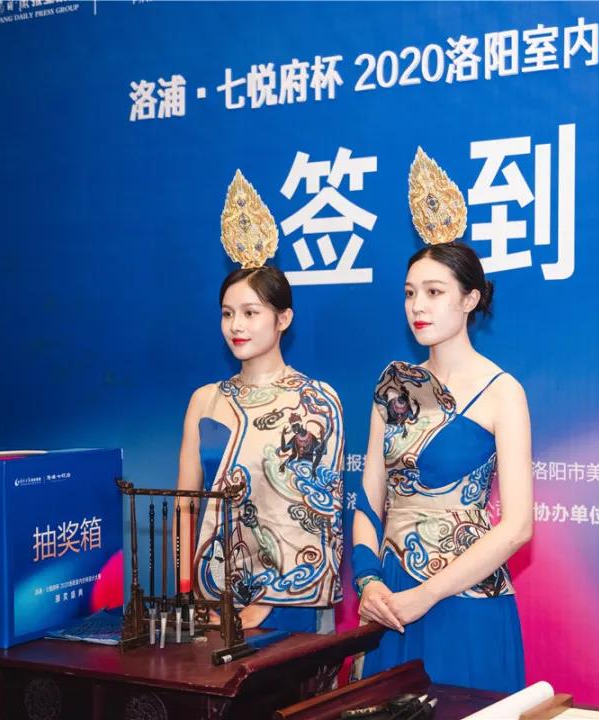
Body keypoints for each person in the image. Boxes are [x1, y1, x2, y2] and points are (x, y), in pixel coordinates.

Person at [352, 149, 533, 691]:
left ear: (470, 299)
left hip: (465, 598)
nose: (418, 306)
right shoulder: (393, 386)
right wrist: (367, 581)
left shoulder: (503, 391)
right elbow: (368, 498)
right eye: (411, 294)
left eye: (434, 293)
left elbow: (518, 526)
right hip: (390, 598)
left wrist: (428, 594)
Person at [177, 170, 344, 634]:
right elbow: (185, 507)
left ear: (283, 319)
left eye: (251, 313)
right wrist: (188, 590)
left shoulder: (316, 401)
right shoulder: (206, 400)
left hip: (291, 601)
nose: (237, 326)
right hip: (212, 594)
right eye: (228, 314)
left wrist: (268, 603)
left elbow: (319, 515)